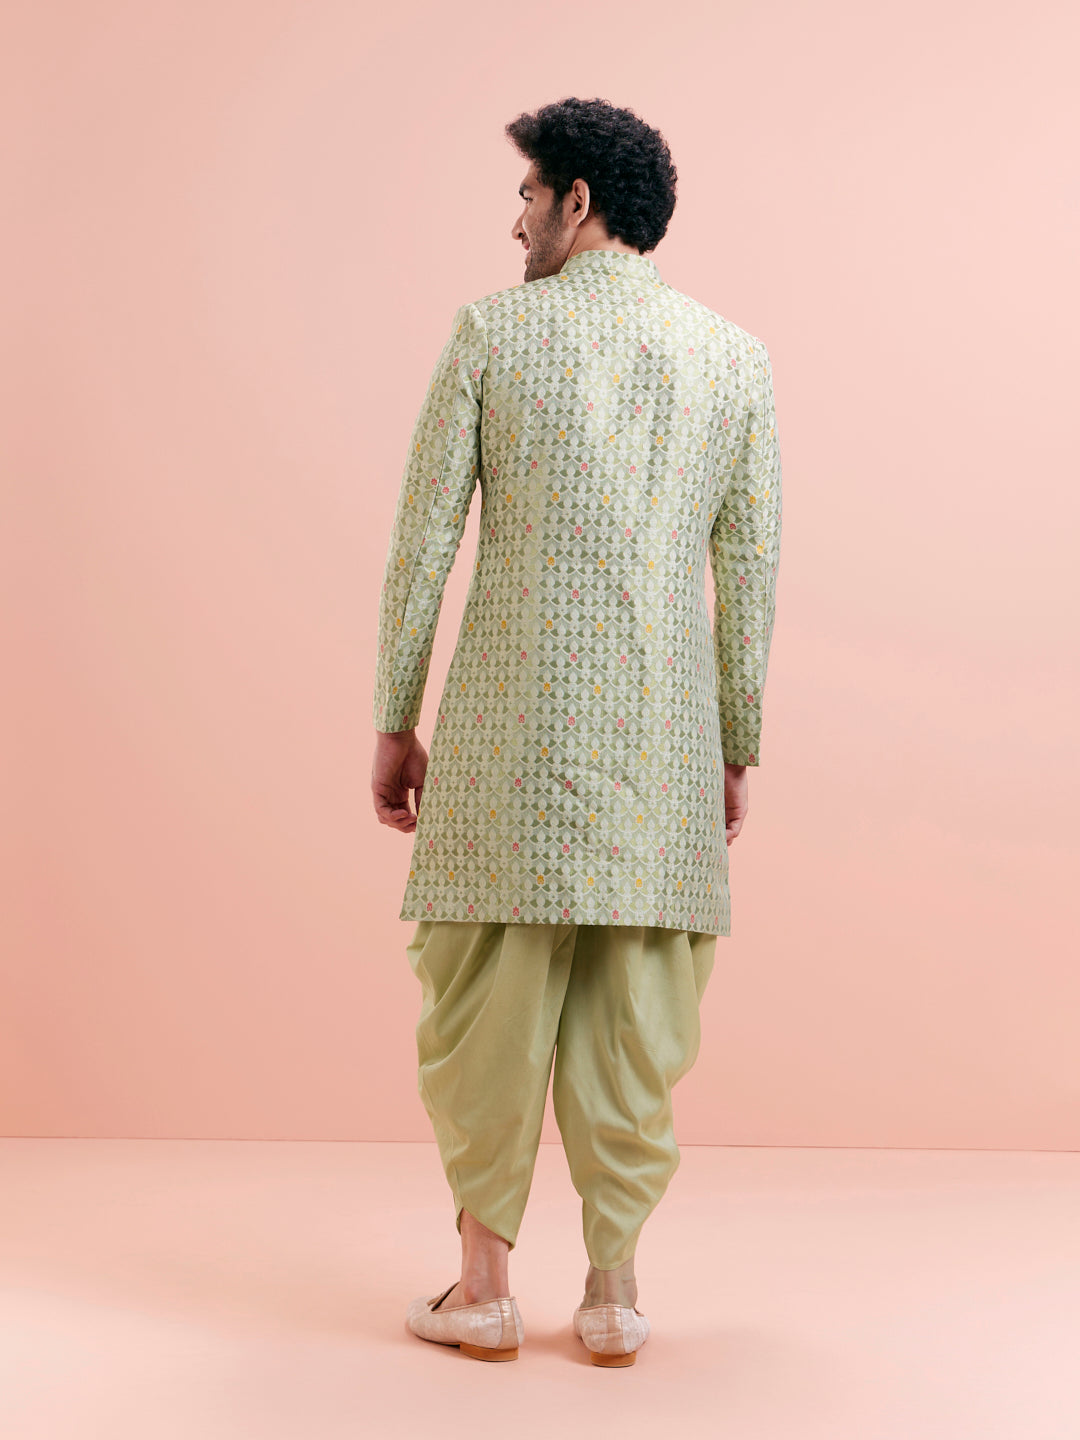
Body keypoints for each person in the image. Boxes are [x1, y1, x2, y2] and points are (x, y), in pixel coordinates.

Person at [371, 96, 783, 1365]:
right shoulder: (732, 358)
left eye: (527, 196)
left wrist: (395, 717)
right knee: (635, 1011)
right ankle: (612, 1295)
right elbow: (750, 572)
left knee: (485, 1006)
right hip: (662, 744)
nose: (517, 222)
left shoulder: (492, 334)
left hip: (511, 740)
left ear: (577, 202)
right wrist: (735, 743)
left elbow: (423, 545)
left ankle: (483, 1288)